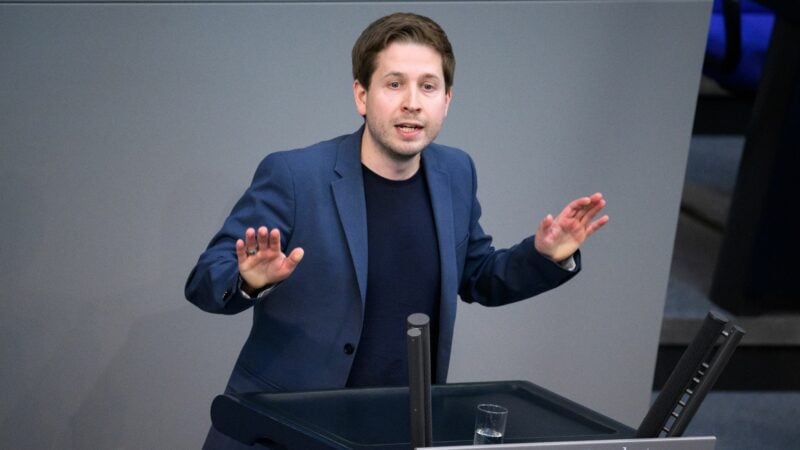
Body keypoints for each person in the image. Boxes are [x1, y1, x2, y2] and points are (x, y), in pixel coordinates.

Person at [185, 11, 608, 449]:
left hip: (396, 432)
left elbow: (478, 275)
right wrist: (249, 281)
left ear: (446, 100)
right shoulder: (294, 175)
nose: (412, 101)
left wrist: (545, 255)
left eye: (428, 86)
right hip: (285, 434)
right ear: (361, 95)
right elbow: (204, 279)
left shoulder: (456, 173)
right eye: (394, 84)